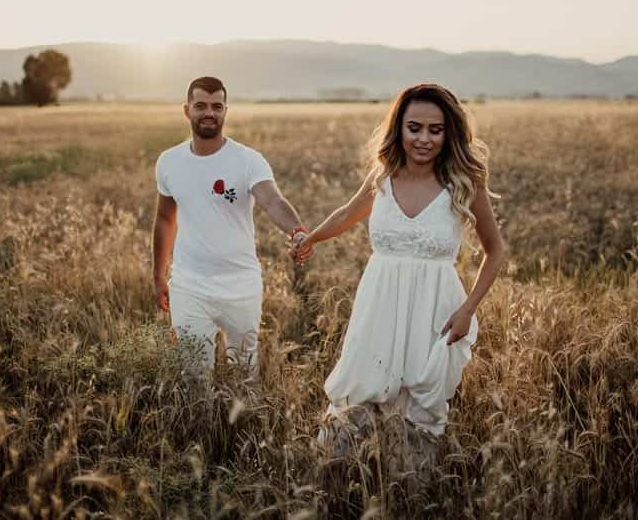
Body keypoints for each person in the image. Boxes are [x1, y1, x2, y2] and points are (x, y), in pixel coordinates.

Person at [295, 83, 506, 439]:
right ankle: (343, 476)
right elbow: (347, 213)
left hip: (435, 307)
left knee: (421, 403)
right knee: (360, 390)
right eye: (414, 128)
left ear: (448, 132)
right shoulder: (382, 177)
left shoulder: (464, 183)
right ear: (399, 128)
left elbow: (495, 250)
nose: (424, 138)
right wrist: (311, 238)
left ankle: (411, 486)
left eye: (435, 130)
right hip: (379, 302)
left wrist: (468, 310)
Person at [153, 76, 309, 375]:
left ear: (226, 110)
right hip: (189, 285)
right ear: (187, 110)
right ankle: (201, 422)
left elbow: (273, 201)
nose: (208, 113)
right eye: (200, 106)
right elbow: (164, 219)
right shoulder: (169, 161)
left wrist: (297, 231)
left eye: (216, 106)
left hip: (241, 285)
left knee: (243, 373)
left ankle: (243, 422)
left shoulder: (248, 160)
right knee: (194, 375)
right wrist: (158, 275)